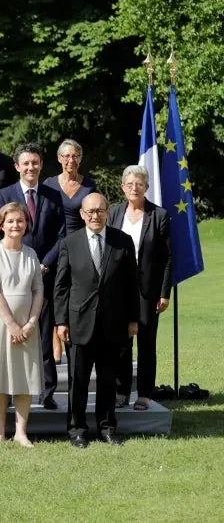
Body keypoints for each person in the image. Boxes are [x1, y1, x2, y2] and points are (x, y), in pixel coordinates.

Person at [54, 192, 139, 448]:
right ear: (82, 214)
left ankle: (107, 428)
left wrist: (133, 319)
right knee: (77, 382)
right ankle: (77, 430)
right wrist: (61, 322)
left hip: (113, 324)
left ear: (107, 212)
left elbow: (131, 284)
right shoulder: (70, 242)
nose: (95, 216)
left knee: (107, 380)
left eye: (99, 211)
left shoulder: (122, 241)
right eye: (89, 211)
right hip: (79, 323)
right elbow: (61, 286)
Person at [0, 143, 66, 410]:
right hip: (11, 280)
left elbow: (61, 235)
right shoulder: (4, 195)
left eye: (35, 162)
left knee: (44, 335)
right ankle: (11, 390)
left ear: (41, 165)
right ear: (17, 166)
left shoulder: (53, 195)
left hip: (43, 276)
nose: (31, 167)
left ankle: (47, 391)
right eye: (26, 163)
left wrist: (44, 264)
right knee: (11, 334)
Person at [0, 203, 44, 447]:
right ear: (1, 224)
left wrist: (30, 323)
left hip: (28, 326)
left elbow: (38, 290)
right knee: (0, 377)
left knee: (24, 377)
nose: (15, 225)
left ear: (26, 224)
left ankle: (21, 432)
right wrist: (11, 324)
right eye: (10, 221)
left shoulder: (31, 254)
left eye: (20, 221)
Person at [107, 166, 172, 411]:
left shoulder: (159, 215)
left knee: (146, 341)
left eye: (139, 183)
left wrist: (164, 293)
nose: (134, 187)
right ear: (123, 187)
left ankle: (144, 393)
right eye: (130, 183)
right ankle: (121, 392)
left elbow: (167, 257)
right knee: (121, 341)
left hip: (148, 290)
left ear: (146, 187)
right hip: (118, 288)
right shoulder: (113, 213)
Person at [43, 139, 97, 235]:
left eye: (75, 156)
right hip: (53, 241)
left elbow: (94, 216)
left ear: (80, 158)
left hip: (80, 240)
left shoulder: (89, 186)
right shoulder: (49, 184)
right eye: (67, 156)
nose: (71, 160)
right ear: (59, 158)